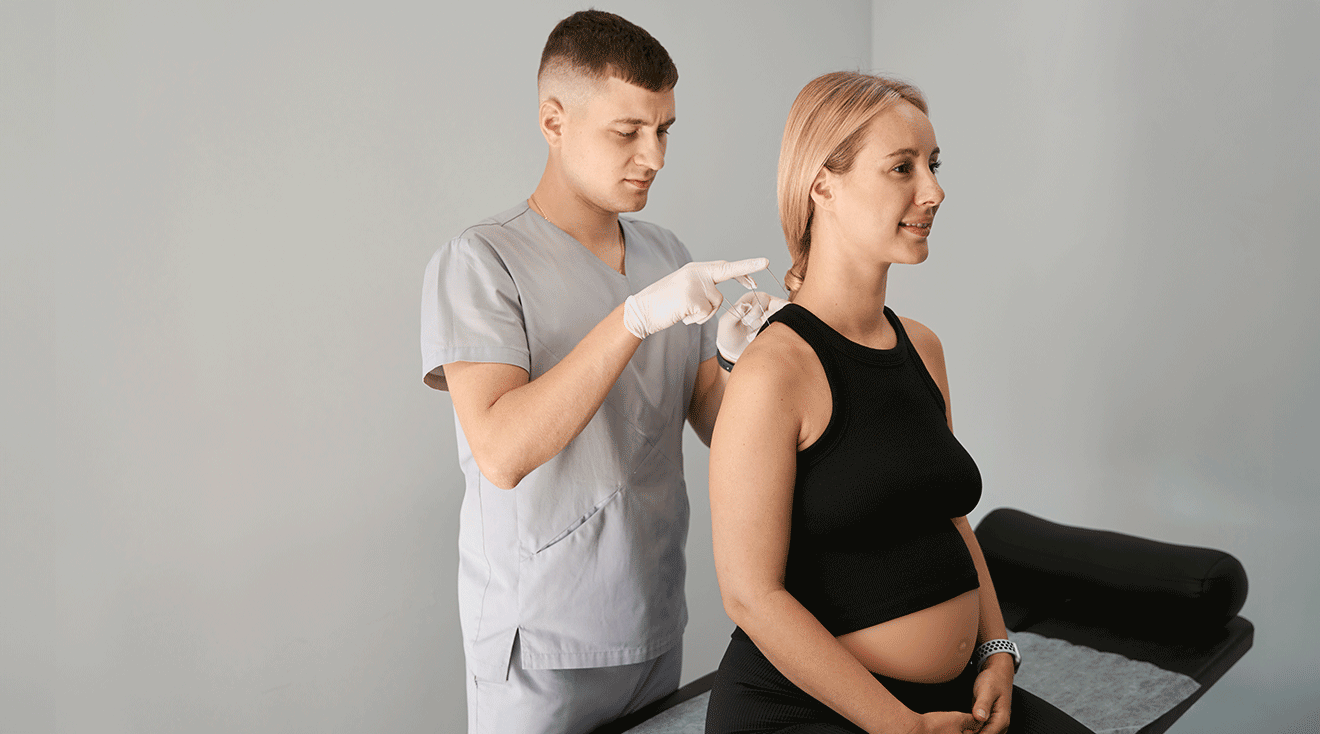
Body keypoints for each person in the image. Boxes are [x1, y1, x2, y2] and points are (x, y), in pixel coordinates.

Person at [704, 72, 1092, 734]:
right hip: (807, 710)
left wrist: (998, 653)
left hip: (952, 699)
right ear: (822, 183)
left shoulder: (923, 347)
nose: (934, 191)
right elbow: (751, 596)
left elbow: (950, 517)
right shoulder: (774, 372)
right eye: (902, 168)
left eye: (933, 166)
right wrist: (898, 728)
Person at [419, 10, 771, 734]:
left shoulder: (666, 253)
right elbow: (502, 451)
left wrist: (736, 359)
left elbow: (716, 422)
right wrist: (632, 319)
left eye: (664, 129)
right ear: (554, 121)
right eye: (628, 132)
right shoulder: (481, 262)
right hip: (540, 647)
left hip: (652, 619)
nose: (656, 156)